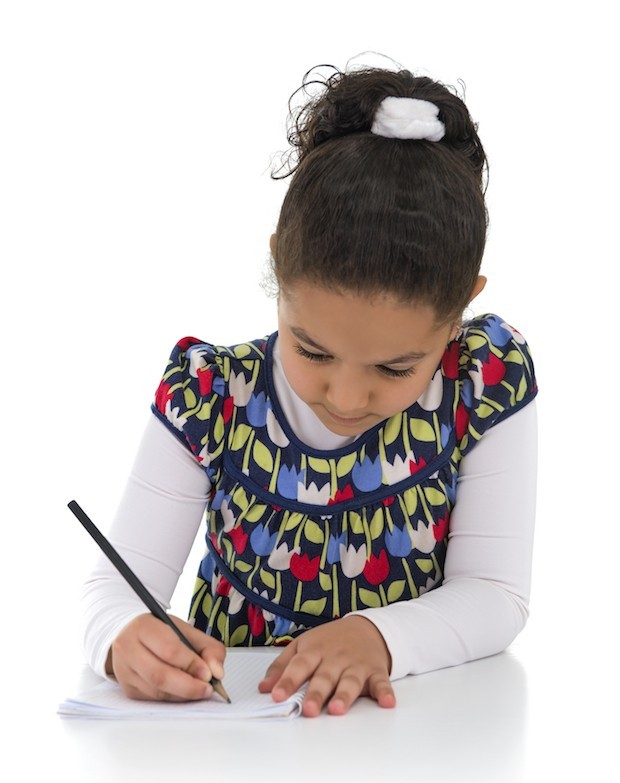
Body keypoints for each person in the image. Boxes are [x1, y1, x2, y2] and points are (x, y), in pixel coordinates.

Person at [81, 61, 538, 718]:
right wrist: (122, 638)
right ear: (277, 269)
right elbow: (113, 585)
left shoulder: (482, 380)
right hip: (228, 742)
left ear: (462, 307)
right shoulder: (209, 394)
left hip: (416, 739)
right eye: (313, 349)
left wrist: (379, 636)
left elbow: (495, 593)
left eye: (394, 368)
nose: (346, 396)